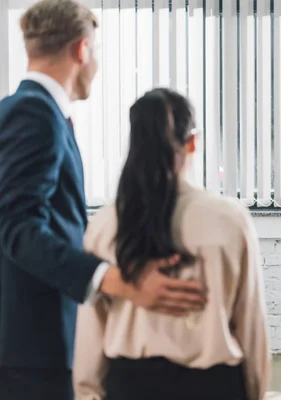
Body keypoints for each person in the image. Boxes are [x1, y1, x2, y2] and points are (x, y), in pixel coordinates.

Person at [0, 2, 206, 399]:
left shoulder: (26, 111)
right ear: (82, 49)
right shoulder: (34, 113)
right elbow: (16, 225)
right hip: (30, 348)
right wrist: (118, 280)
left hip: (30, 343)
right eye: (96, 50)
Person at [73, 88, 270, 400]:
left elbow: (91, 326)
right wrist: (256, 390)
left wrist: (86, 392)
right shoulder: (230, 219)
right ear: (193, 141)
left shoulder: (105, 223)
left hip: (130, 385)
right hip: (215, 386)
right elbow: (250, 321)